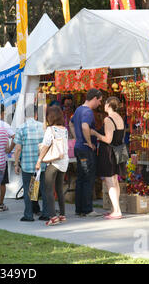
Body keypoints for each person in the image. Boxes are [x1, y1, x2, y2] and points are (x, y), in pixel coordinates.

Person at [69, 88, 103, 217]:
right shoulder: (88, 112)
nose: (99, 104)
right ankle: (88, 209)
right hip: (85, 149)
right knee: (88, 178)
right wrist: (88, 142)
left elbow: (70, 123)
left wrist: (76, 138)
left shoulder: (78, 109)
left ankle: (80, 209)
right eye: (99, 101)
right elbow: (84, 126)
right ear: (94, 98)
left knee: (81, 178)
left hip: (79, 148)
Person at [92, 97, 126, 219]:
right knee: (115, 180)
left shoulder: (108, 119)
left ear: (108, 105)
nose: (104, 105)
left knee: (109, 182)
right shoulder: (119, 118)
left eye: (105, 103)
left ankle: (117, 211)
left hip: (108, 152)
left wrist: (95, 134)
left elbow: (108, 139)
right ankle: (115, 208)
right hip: (118, 150)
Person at [14, 104, 49, 222]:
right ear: (35, 114)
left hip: (27, 164)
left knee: (28, 188)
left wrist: (16, 164)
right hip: (41, 163)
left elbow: (18, 148)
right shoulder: (42, 127)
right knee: (43, 189)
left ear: (25, 115)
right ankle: (45, 213)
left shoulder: (21, 128)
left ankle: (29, 214)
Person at [36, 105, 69, 226]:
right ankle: (62, 214)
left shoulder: (51, 130)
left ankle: (52, 216)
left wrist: (39, 160)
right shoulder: (64, 129)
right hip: (63, 161)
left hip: (53, 162)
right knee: (59, 189)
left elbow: (45, 145)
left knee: (48, 189)